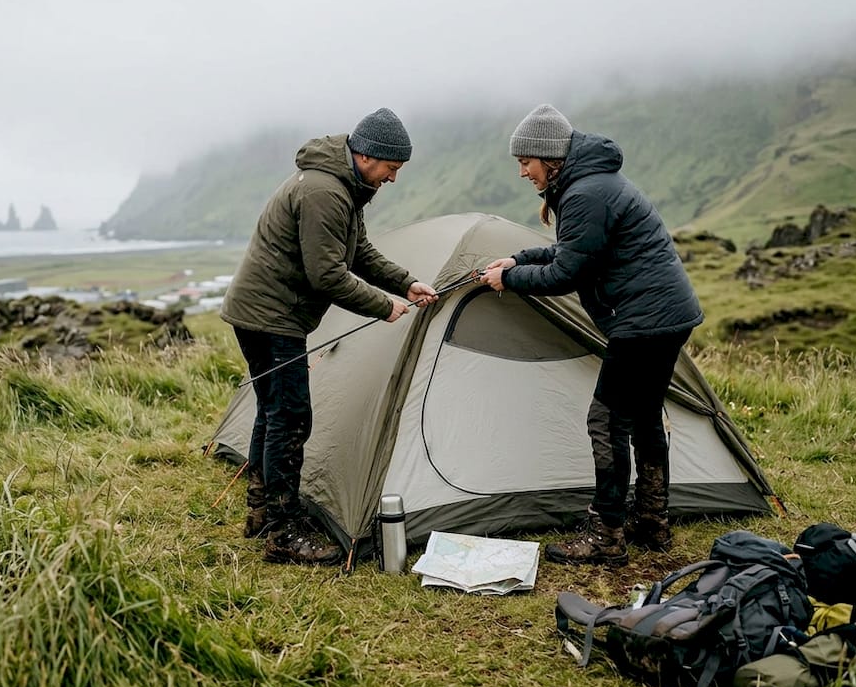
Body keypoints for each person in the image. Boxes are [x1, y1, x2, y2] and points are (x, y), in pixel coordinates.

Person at [478, 104, 703, 567]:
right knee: (644, 416)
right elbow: (574, 247)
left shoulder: (585, 192)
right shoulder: (590, 183)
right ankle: (652, 520)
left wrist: (510, 281)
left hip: (644, 322)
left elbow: (566, 272)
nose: (522, 171)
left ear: (549, 158)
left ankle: (607, 534)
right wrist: (518, 260)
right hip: (668, 316)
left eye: (526, 161)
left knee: (607, 421)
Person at [220, 108, 438, 565]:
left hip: (263, 312)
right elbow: (327, 275)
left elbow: (358, 252)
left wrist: (404, 283)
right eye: (392, 169)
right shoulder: (324, 191)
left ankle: (261, 512)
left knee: (274, 410)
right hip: (270, 316)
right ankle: (283, 532)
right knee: (291, 417)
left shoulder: (344, 186)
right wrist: (385, 306)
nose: (393, 179)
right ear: (367, 156)